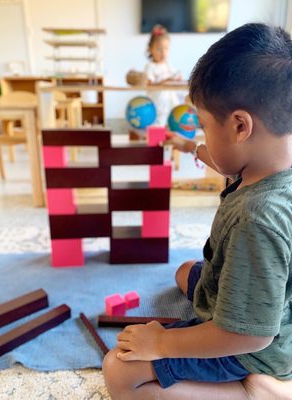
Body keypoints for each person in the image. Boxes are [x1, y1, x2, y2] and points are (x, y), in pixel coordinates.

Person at [102, 23, 292, 399]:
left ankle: (257, 393)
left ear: (240, 126)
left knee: (119, 372)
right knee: (185, 271)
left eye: (204, 125)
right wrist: (187, 144)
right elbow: (222, 159)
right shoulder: (269, 161)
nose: (203, 137)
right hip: (264, 297)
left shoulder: (257, 219)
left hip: (253, 349)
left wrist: (162, 343)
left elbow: (250, 333)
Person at [145, 24, 182, 126]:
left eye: (166, 49)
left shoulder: (168, 65)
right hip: (158, 106)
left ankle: (171, 141)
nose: (163, 53)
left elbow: (173, 78)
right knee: (157, 130)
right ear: (150, 49)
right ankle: (155, 141)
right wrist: (164, 83)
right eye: (159, 49)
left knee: (172, 130)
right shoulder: (150, 66)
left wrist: (177, 79)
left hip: (171, 104)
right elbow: (148, 85)